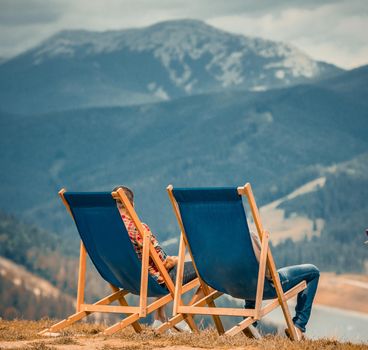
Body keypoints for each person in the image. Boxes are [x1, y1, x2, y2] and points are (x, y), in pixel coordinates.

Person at [113, 185, 196, 331]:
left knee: (162, 271)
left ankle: (159, 318)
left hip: (124, 279)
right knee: (204, 270)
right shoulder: (138, 228)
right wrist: (175, 260)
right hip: (150, 281)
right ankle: (182, 318)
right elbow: (162, 261)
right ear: (131, 204)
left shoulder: (107, 230)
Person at [246, 231, 320, 340]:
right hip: (266, 285)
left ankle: (249, 320)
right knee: (313, 272)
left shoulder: (217, 237)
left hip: (236, 286)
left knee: (249, 277)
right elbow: (264, 270)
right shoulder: (246, 235)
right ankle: (298, 326)